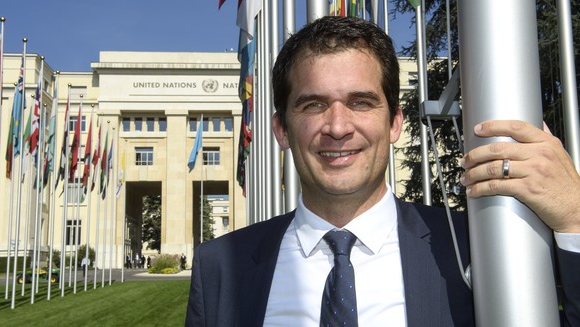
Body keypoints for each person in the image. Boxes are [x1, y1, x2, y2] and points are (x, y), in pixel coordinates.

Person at [185, 16, 580, 326]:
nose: (338, 127)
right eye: (313, 105)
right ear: (281, 130)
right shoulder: (220, 266)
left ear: (394, 123)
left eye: (360, 103)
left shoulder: (475, 244)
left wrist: (575, 218)